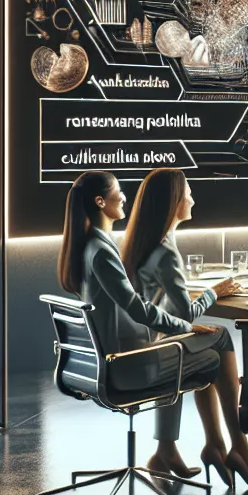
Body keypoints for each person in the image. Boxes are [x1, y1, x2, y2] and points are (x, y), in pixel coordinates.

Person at [55, 172, 224, 454]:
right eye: (118, 191)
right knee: (215, 353)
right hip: (125, 367)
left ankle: (171, 452)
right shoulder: (101, 252)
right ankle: (221, 448)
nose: (124, 197)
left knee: (198, 344)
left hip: (97, 365)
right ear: (100, 202)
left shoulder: (89, 246)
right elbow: (136, 308)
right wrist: (186, 326)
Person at [121, 168, 248, 489]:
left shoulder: (143, 245)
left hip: (136, 353)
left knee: (207, 344)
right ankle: (235, 447)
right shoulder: (165, 252)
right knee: (219, 340)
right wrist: (216, 292)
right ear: (174, 202)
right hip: (152, 358)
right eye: (188, 192)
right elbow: (186, 314)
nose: (193, 198)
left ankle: (174, 448)